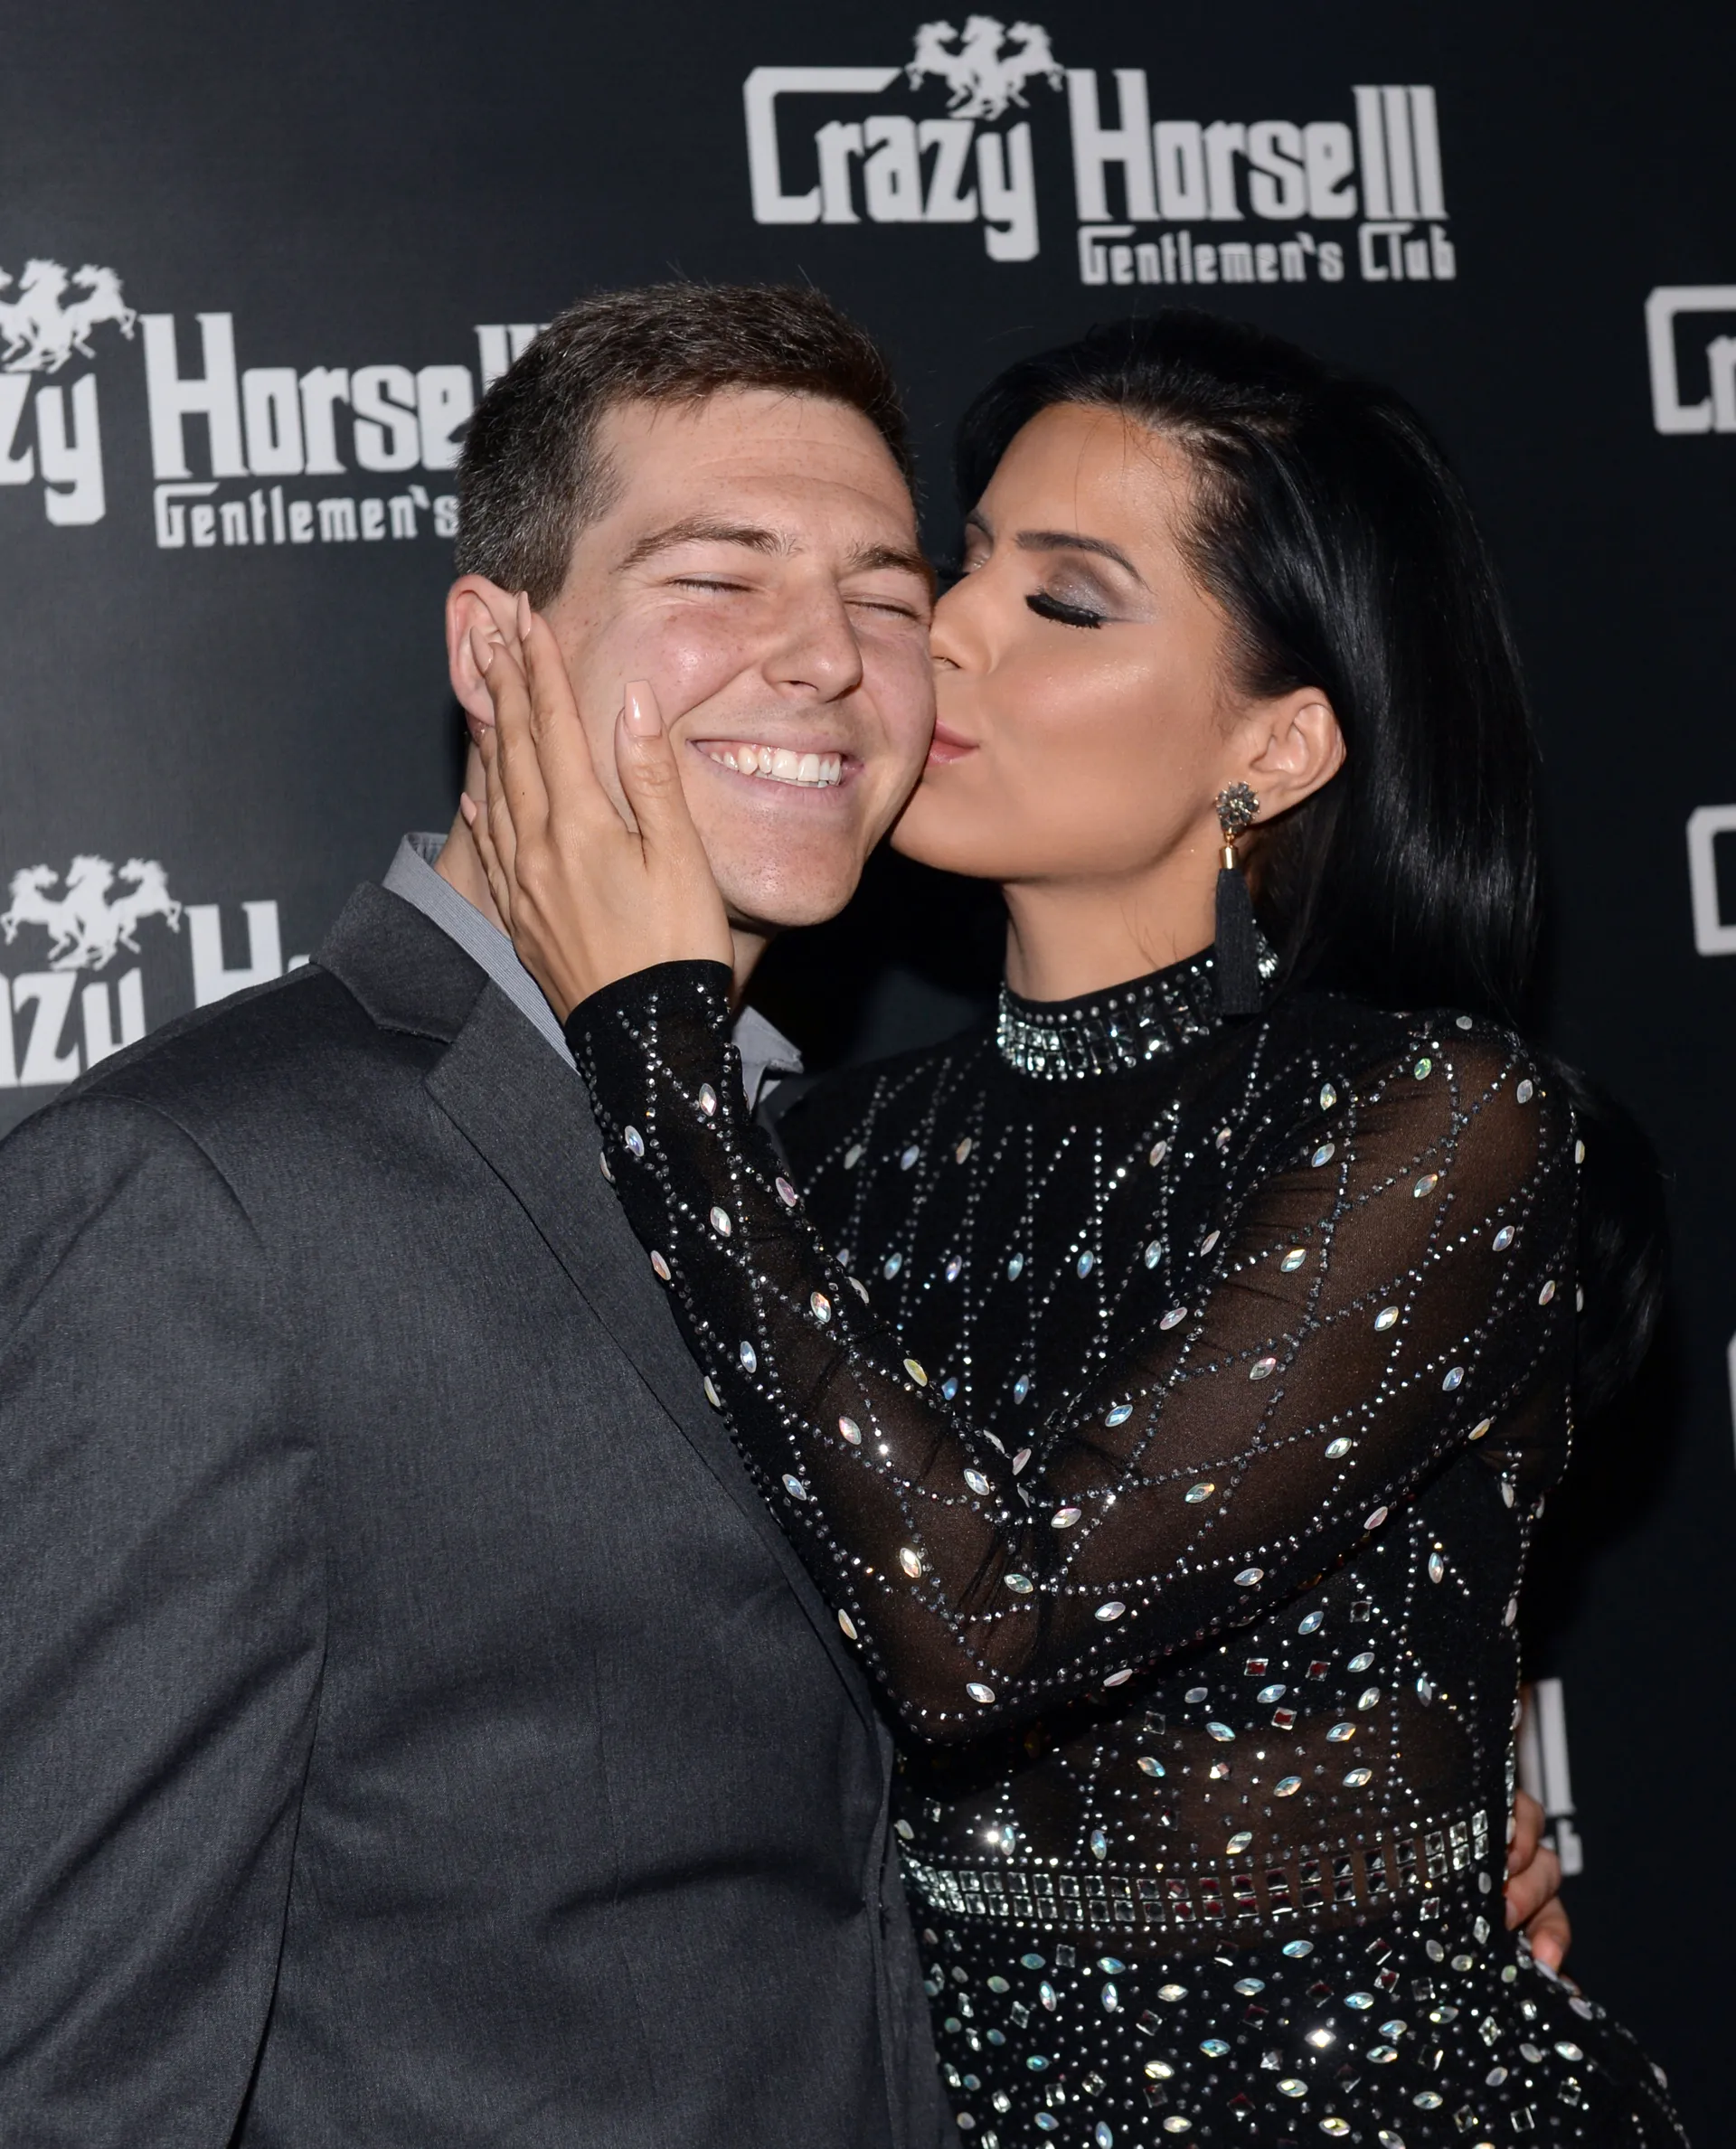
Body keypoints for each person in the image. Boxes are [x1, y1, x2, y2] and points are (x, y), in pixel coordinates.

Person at [466, 311, 1680, 2144]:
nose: (940, 630)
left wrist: (651, 1037)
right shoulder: (822, 1149)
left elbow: (991, 1630)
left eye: (1066, 602)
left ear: (1275, 744)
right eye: (962, 567)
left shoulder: (1444, 1126)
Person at [0, 284, 954, 2147]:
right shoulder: (201, 1198)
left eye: (889, 600)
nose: (829, 660)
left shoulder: (839, 1169)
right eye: (720, 578)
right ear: (494, 650)